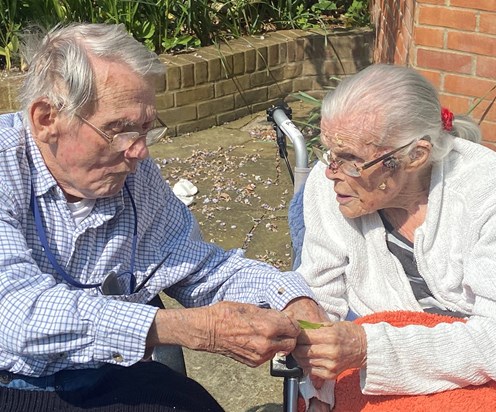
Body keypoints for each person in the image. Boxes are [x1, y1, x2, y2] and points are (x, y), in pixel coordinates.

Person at [0, 23, 326, 411]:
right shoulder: (5, 165)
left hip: (108, 369)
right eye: (118, 130)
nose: (138, 151)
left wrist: (289, 297)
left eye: (146, 130)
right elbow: (16, 314)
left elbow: (197, 266)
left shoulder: (131, 173)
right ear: (45, 119)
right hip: (16, 380)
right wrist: (186, 328)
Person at [291, 64, 496, 411]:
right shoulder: (328, 190)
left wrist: (372, 348)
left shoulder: (488, 187)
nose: (330, 172)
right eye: (328, 151)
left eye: (351, 159)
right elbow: (317, 302)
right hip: (384, 372)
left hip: (482, 372)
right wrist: (316, 392)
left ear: (415, 156)